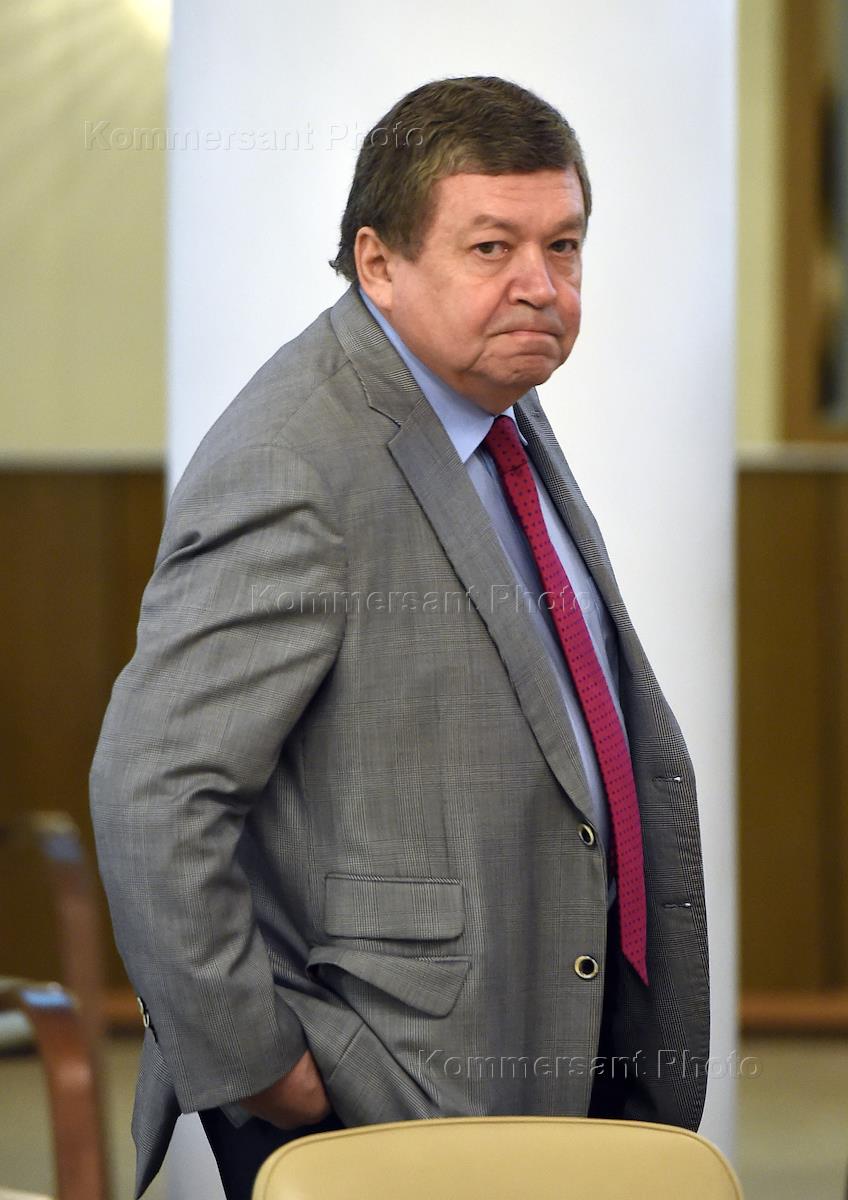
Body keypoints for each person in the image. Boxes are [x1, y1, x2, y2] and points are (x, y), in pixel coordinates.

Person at [90, 76, 710, 1200]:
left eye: (563, 246)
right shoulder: (295, 457)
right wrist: (263, 1067)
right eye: (491, 248)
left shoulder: (493, 402)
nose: (540, 285)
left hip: (537, 1034)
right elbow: (153, 791)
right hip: (381, 1085)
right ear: (377, 263)